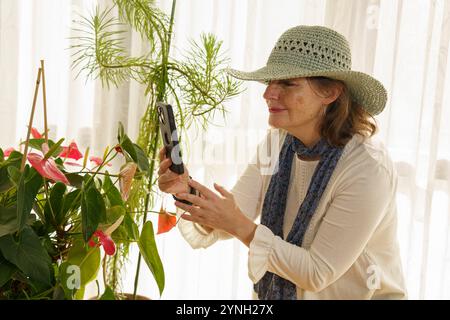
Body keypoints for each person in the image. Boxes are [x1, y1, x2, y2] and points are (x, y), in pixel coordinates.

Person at [157, 25, 407, 300]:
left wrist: (241, 226)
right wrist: (184, 190)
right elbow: (229, 215)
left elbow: (317, 272)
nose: (268, 95)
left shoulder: (368, 167)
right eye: (270, 82)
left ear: (330, 93)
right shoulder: (278, 143)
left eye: (287, 83)